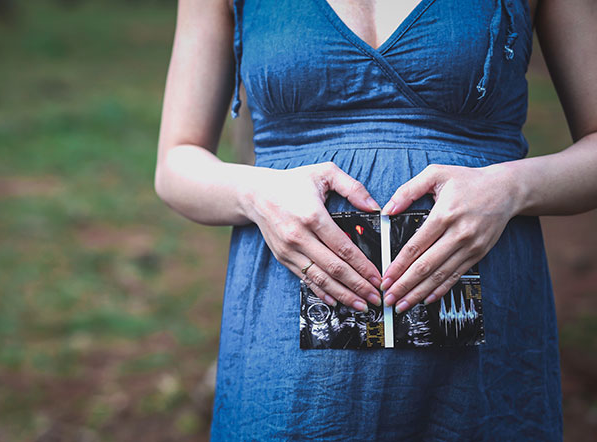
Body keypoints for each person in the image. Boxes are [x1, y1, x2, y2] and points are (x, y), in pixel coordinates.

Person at [154, 0, 597, 439]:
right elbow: (175, 164)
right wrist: (255, 194)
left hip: (484, 338)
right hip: (287, 347)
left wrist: (513, 187)